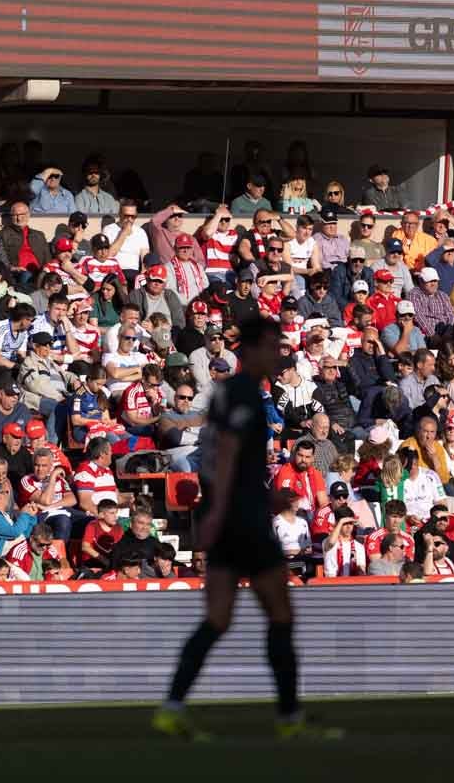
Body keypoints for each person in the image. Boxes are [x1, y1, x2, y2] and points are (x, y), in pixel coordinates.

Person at [154, 317, 340, 742]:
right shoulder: (243, 396)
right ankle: (290, 718)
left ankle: (172, 708)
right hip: (244, 520)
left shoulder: (232, 394)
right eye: (272, 347)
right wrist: (238, 507)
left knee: (218, 620)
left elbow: (224, 457)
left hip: (232, 517)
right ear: (252, 350)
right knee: (280, 615)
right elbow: (228, 454)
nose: (278, 355)